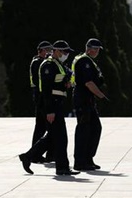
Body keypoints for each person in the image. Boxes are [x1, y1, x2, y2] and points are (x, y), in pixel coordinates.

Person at [19, 40, 79, 176]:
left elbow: (59, 82)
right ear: (56, 51)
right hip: (51, 104)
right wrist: (50, 110)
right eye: (64, 51)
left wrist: (67, 84)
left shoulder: (59, 65)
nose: (66, 54)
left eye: (67, 52)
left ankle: (28, 157)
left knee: (54, 136)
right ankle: (62, 168)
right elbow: (46, 90)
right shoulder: (48, 65)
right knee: (60, 137)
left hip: (57, 103)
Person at [71, 38, 107, 171]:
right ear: (88, 48)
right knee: (84, 130)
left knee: (95, 128)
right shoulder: (84, 61)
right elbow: (88, 82)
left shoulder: (89, 61)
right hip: (83, 99)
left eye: (98, 49)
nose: (97, 52)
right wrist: (101, 96)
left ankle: (88, 158)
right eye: (95, 49)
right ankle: (80, 161)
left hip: (88, 100)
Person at [29, 41, 53, 163]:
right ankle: (35, 153)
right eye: (47, 50)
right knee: (45, 127)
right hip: (41, 98)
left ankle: (37, 153)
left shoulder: (41, 62)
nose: (49, 52)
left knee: (42, 127)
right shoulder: (37, 63)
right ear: (41, 51)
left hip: (42, 97)